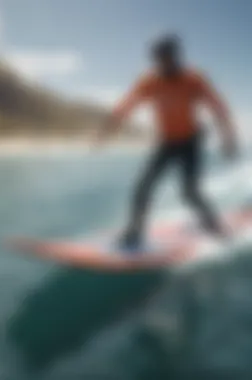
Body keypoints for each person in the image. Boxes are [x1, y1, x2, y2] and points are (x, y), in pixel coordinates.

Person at [96, 34, 238, 250]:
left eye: (166, 57)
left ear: (176, 56)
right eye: (157, 58)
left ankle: (213, 225)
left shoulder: (194, 79)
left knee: (189, 192)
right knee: (143, 187)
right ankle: (134, 233)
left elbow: (219, 109)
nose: (162, 63)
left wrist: (229, 140)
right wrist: (106, 133)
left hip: (191, 142)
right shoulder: (149, 81)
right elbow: (125, 107)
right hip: (166, 142)